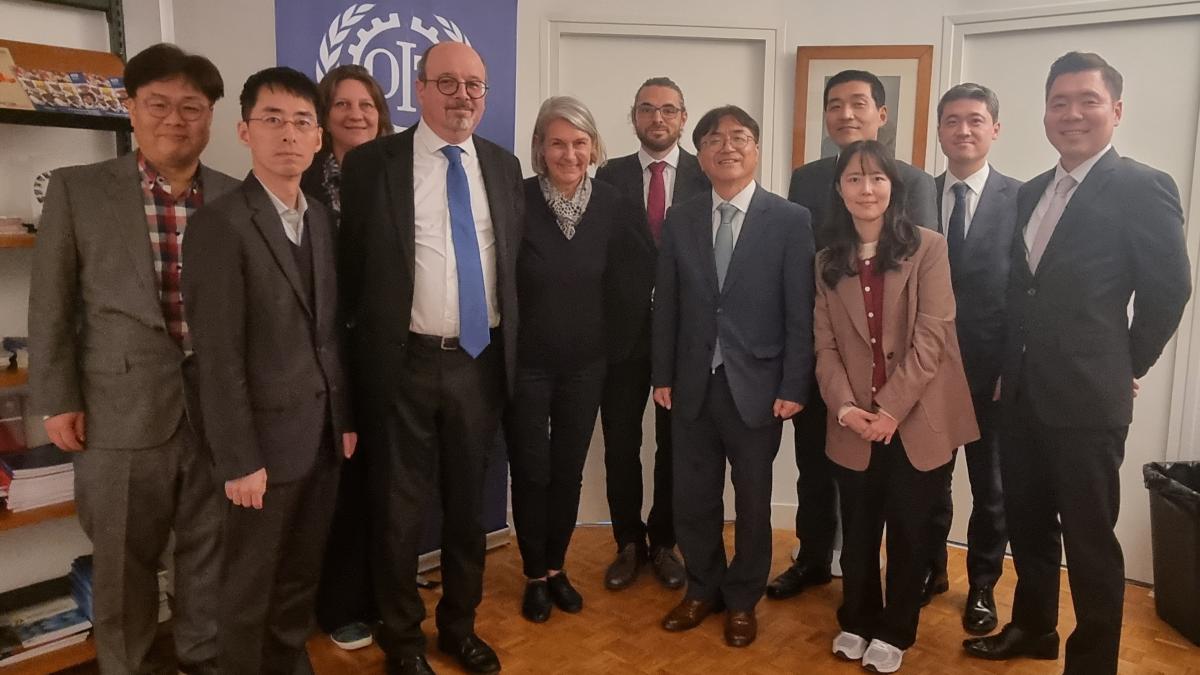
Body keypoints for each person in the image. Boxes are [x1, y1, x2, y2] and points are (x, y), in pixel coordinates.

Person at [963, 52, 1192, 675]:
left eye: (1087, 100)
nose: (1072, 113)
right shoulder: (1033, 190)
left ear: (1115, 110)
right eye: (1059, 101)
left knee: (1090, 542)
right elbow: (1021, 291)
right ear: (1044, 112)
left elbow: (1169, 290)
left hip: (1090, 400)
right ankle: (1033, 628)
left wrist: (1124, 364)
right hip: (1023, 395)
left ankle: (1091, 662)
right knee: (1029, 527)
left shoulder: (1144, 186)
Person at [28, 43, 235, 675]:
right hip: (118, 414)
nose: (176, 119)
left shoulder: (232, 197)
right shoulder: (78, 191)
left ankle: (203, 659)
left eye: (192, 108)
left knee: (210, 558)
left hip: (215, 418)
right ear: (131, 109)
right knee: (122, 566)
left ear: (211, 117)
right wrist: (56, 398)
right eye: (159, 104)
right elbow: (52, 304)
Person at [339, 42, 524, 675]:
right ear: (417, 90)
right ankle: (403, 640)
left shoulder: (503, 166)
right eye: (447, 83)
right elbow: (352, 271)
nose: (462, 96)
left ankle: (459, 628)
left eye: (474, 84)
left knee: (468, 510)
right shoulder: (372, 166)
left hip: (479, 362)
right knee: (398, 512)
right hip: (402, 365)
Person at [182, 66, 355, 675]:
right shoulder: (219, 225)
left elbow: (330, 333)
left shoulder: (323, 221)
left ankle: (287, 660)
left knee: (299, 575)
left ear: (317, 138)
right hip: (259, 449)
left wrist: (346, 420)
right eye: (273, 120)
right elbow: (216, 356)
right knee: (248, 584)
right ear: (244, 131)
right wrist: (238, 459)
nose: (289, 134)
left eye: (302, 122)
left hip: (322, 437)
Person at [769, 69, 939, 602]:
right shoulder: (805, 177)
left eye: (859, 103)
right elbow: (804, 268)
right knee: (815, 468)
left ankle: (912, 575)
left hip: (894, 369)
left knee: (901, 486)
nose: (846, 113)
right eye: (835, 104)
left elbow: (917, 279)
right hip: (828, 354)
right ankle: (814, 558)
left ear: (882, 115)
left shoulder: (915, 180)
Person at [652, 105, 814, 648]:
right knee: (693, 497)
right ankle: (703, 588)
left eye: (740, 137)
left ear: (757, 148)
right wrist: (662, 374)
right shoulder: (682, 217)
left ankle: (743, 598)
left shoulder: (790, 219)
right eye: (715, 139)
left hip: (759, 387)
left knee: (752, 500)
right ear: (700, 153)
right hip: (692, 380)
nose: (728, 147)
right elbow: (667, 304)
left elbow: (800, 310)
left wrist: (795, 384)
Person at [815, 140, 978, 673]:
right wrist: (844, 408)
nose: (866, 189)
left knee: (910, 530)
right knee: (858, 531)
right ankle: (857, 618)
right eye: (854, 179)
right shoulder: (826, 261)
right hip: (852, 422)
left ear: (893, 187)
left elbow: (932, 337)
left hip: (917, 418)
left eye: (877, 178)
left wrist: (890, 410)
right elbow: (825, 347)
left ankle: (897, 627)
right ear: (839, 190)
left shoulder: (927, 248)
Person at [506, 96, 627, 622]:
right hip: (526, 365)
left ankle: (557, 567)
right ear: (539, 148)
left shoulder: (615, 205)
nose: (569, 153)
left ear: (595, 147)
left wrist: (616, 350)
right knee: (531, 471)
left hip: (586, 365)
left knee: (568, 471)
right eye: (557, 142)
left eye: (579, 142)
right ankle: (533, 573)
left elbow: (629, 283)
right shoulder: (516, 199)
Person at [593, 76, 708, 591]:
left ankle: (664, 542)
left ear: (683, 118)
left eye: (668, 110)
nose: (656, 118)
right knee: (620, 444)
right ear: (634, 117)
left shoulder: (708, 177)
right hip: (620, 337)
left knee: (673, 445)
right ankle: (627, 543)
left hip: (683, 339)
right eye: (646, 109)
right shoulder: (607, 176)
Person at [301, 63, 393, 653]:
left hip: (390, 353)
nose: (356, 114)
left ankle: (387, 594)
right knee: (339, 484)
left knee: (391, 482)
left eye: (367, 104)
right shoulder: (305, 180)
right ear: (324, 114)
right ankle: (340, 603)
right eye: (343, 104)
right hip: (325, 356)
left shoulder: (402, 171)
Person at [923, 82, 1019, 633]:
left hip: (992, 374)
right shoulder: (914, 194)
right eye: (953, 120)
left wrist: (1013, 366)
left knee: (992, 489)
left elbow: (1029, 294)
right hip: (926, 371)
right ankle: (929, 569)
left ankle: (982, 585)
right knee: (929, 483)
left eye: (976, 120)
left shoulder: (1023, 198)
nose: (963, 130)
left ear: (995, 129)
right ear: (939, 130)